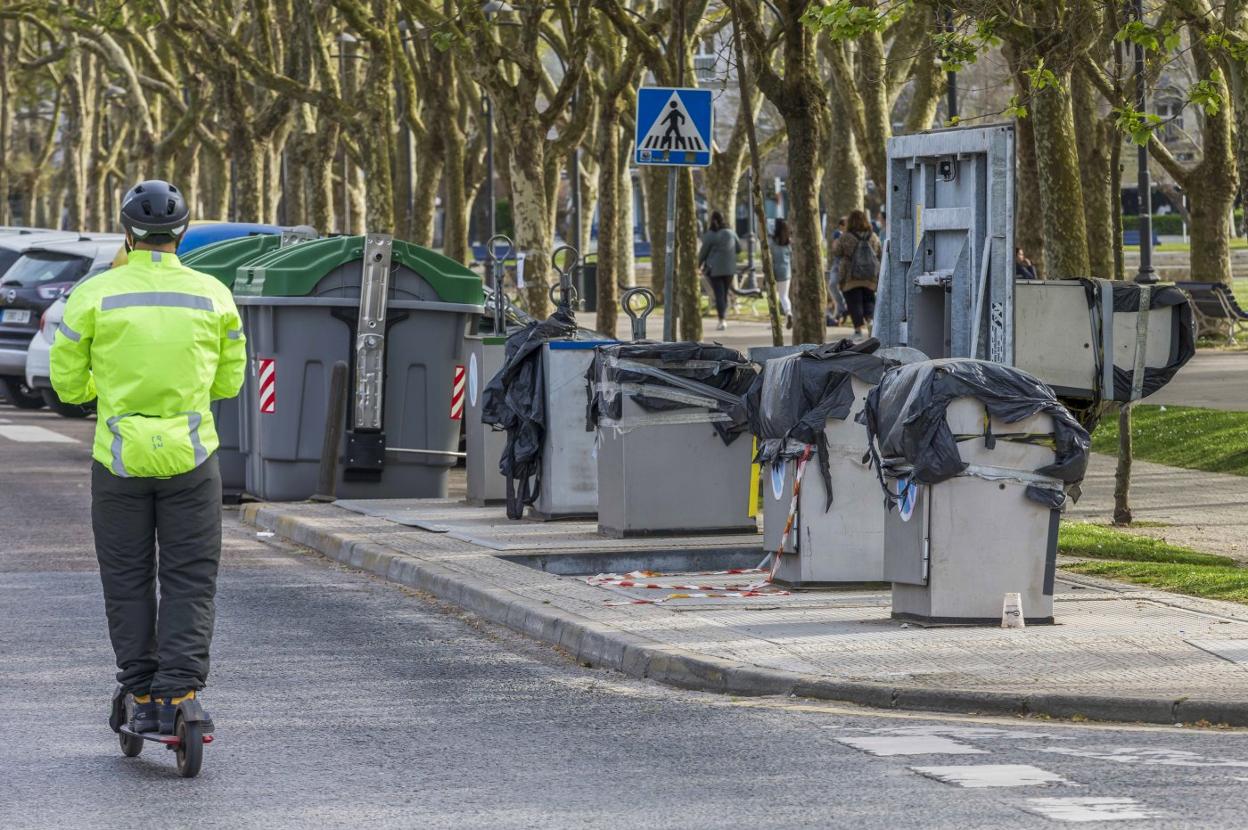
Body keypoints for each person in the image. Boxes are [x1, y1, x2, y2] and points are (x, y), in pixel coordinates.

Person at [50, 180, 246, 736]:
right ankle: (179, 690)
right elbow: (229, 382)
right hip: (193, 457)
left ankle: (139, 687)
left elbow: (66, 385)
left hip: (118, 460)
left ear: (127, 233)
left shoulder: (94, 294)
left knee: (127, 576)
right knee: (190, 577)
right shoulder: (213, 295)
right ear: (183, 231)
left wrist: (106, 391)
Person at [830, 209, 882, 340]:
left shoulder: (846, 237)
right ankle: (870, 322)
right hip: (870, 276)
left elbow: (837, 252)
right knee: (869, 298)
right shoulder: (873, 236)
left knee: (854, 302)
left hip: (850, 276)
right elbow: (879, 252)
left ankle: (858, 330)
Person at [698, 210, 740, 331]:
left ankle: (722, 320)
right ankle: (724, 318)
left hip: (714, 269)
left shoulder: (710, 235)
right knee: (724, 293)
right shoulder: (731, 233)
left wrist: (698, 265)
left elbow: (703, 253)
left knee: (719, 294)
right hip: (729, 269)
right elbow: (738, 249)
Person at [770, 217, 793, 329]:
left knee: (774, 296)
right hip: (786, 272)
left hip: (774, 272)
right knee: (784, 296)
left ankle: (775, 319)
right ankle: (788, 313)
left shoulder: (772, 242)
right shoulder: (789, 242)